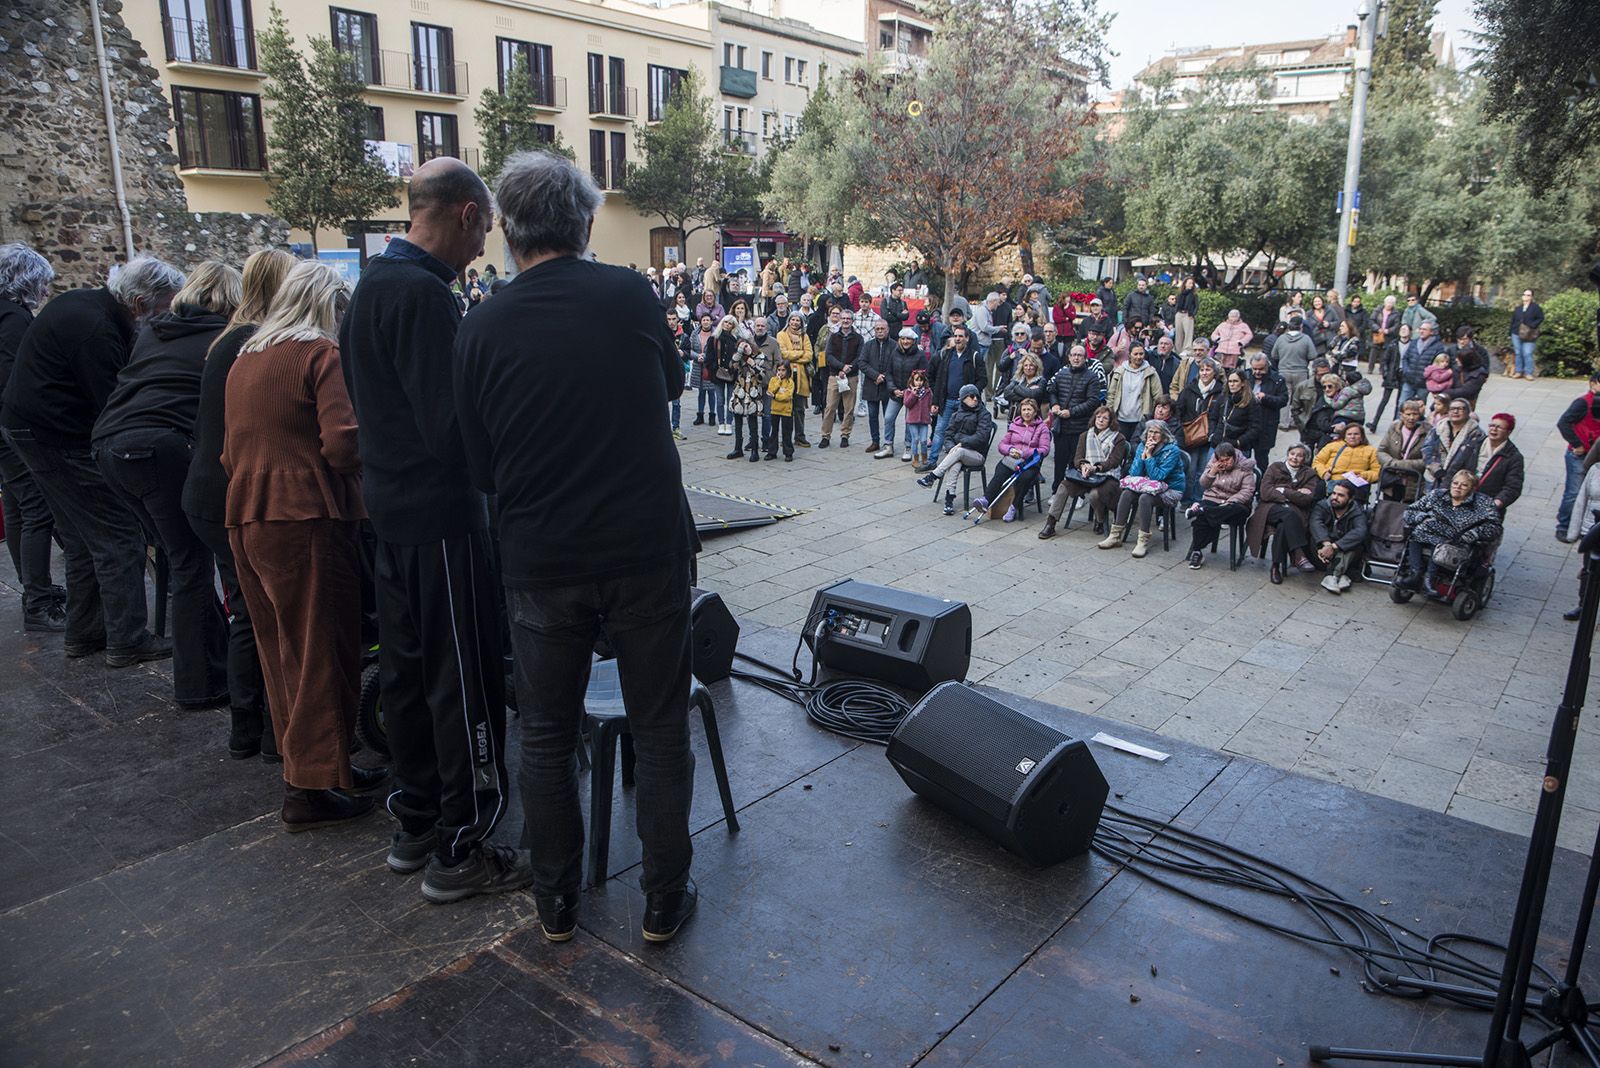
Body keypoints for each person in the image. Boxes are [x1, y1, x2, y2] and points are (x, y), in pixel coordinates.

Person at [454, 152, 699, 945]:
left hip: (541, 558)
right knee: (660, 727)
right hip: (643, 549)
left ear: (505, 231)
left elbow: (478, 464)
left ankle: (555, 904)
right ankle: (663, 901)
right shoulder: (629, 293)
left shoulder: (481, 323)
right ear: (586, 223)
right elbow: (670, 385)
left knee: (548, 737)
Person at [341, 159, 525, 897]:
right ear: (462, 213)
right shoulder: (423, 297)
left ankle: (417, 821)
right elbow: (451, 431)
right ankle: (462, 843)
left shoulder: (370, 288)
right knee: (463, 678)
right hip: (440, 519)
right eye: (483, 227)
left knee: (409, 674)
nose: (483, 247)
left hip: (392, 512)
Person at [222, 261, 378, 832]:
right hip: (306, 515)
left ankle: (319, 769)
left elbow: (228, 450)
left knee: (280, 652)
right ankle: (309, 790)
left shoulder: (245, 357)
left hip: (246, 516)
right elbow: (342, 445)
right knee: (320, 652)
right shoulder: (319, 354)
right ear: (330, 305)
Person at [1, 255, 183, 666]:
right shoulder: (96, 329)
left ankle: (84, 634)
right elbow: (112, 407)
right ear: (139, 302)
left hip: (33, 429)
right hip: (53, 436)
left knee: (82, 537)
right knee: (119, 534)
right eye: (162, 307)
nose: (163, 316)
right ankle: (128, 639)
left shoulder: (85, 304)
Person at [93, 261, 240, 709]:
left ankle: (212, 662)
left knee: (178, 559)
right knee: (191, 564)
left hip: (109, 444)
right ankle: (201, 684)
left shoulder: (157, 331)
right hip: (158, 447)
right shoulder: (225, 340)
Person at [182, 248, 294, 759]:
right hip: (228, 493)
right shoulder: (256, 343)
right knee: (260, 614)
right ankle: (267, 733)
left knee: (248, 611)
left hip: (207, 490)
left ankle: (249, 730)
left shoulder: (229, 338)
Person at [0, 242, 64, 632]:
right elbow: (16, 381)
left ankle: (34, 589)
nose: (44, 292)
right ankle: (37, 602)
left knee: (19, 507)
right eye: (41, 283)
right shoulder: (13, 320)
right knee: (36, 507)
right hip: (14, 427)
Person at [1398, 470, 1501, 592]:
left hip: (1455, 540)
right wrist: (1421, 517)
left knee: (1441, 544)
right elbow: (1410, 510)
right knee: (1414, 535)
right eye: (1455, 483)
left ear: (1472, 488)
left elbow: (1495, 527)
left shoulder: (1483, 503)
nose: (1458, 487)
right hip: (1426, 531)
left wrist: (1474, 533)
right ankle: (1416, 573)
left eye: (1464, 485)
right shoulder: (1437, 495)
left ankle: (1429, 578)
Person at [1101, 421, 1186, 558]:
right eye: (1150, 432)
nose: (1152, 435)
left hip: (1169, 488)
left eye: (1156, 432)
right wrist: (1144, 454)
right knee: (1127, 494)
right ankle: (1115, 535)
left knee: (1145, 498)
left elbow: (1158, 476)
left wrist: (1150, 456)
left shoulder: (1172, 450)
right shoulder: (1142, 445)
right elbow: (1134, 473)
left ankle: (1142, 541)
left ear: (1164, 435)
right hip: (1147, 485)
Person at [1039, 405, 1125, 539]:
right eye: (1098, 417)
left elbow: (1114, 461)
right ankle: (1050, 523)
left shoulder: (1118, 438)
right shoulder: (1086, 435)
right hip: (1085, 475)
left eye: (1105, 418)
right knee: (1063, 486)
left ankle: (1100, 520)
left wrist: (1096, 468)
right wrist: (1083, 465)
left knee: (1094, 494)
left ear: (1110, 421)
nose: (1100, 420)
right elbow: (1077, 458)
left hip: (1107, 476)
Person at [1247, 443, 1323, 584]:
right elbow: (1265, 492)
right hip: (1270, 509)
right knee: (1289, 515)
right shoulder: (1275, 467)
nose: (1295, 458)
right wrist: (1293, 494)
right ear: (1288, 454)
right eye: (1293, 454)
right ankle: (1298, 554)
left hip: (1294, 511)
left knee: (1284, 525)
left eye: (1299, 455)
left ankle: (1275, 567)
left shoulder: (1309, 474)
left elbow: (1307, 499)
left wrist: (1283, 490)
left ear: (1305, 458)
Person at [916, 384, 994, 516]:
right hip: (958, 452)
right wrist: (952, 446)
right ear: (963, 398)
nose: (975, 399)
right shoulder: (956, 414)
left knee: (958, 452)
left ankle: (933, 476)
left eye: (977, 396)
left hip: (977, 454)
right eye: (971, 396)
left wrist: (961, 443)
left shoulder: (984, 414)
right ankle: (949, 500)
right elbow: (948, 435)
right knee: (955, 461)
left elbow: (981, 437)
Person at [971, 397, 1050, 522]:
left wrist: (1024, 453)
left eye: (1029, 410)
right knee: (1000, 470)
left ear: (1035, 412)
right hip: (1012, 459)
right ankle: (986, 500)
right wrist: (1010, 450)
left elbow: (1044, 449)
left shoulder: (1042, 428)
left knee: (1024, 478)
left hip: (1030, 463)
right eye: (1024, 410)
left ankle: (1013, 507)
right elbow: (1002, 444)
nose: (1026, 412)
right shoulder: (1015, 424)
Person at [1183, 442, 1256, 570]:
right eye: (1221, 460)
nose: (1225, 463)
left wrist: (1230, 501)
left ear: (1234, 457)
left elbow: (1247, 492)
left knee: (1231, 510)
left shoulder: (1245, 467)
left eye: (1227, 460)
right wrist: (1212, 472)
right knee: (1201, 520)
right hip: (1214, 499)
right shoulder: (1214, 464)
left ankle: (1202, 510)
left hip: (1235, 504)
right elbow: (1203, 485)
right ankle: (1197, 551)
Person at [1045, 343, 1106, 492]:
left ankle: (1077, 493)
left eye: (1080, 355)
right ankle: (1056, 491)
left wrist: (1071, 412)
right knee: (1059, 462)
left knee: (1077, 462)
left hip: (1080, 427)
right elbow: (1052, 390)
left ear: (1085, 358)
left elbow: (1093, 401)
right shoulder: (1062, 373)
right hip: (1061, 427)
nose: (1076, 358)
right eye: (1074, 355)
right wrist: (1054, 405)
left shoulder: (1092, 377)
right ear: (1069, 357)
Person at [924, 324, 984, 471]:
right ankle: (932, 461)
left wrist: (972, 395)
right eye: (955, 336)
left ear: (967, 339)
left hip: (966, 404)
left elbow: (983, 379)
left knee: (967, 432)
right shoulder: (945, 355)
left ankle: (964, 460)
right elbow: (937, 379)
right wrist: (936, 400)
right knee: (939, 430)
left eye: (961, 336)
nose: (957, 339)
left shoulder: (975, 356)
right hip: (947, 401)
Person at [1557, 373, 1600, 541]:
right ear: (1593, 384)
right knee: (1574, 493)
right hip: (1579, 456)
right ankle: (1564, 526)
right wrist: (1577, 444)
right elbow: (1563, 423)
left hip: (1596, 455)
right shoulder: (1583, 403)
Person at [1310, 480, 1371, 594]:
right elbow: (1316, 523)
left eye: (1341, 495)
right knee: (1314, 537)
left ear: (1351, 499)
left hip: (1341, 549)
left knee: (1354, 544)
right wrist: (1326, 544)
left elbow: (1360, 531)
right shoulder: (1323, 505)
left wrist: (1334, 546)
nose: (1335, 497)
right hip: (1322, 553)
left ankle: (1332, 576)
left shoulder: (1357, 511)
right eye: (1334, 493)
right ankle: (1342, 575)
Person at [1176, 358, 1222, 505]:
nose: (1204, 373)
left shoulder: (1220, 391)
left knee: (1204, 471)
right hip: (1191, 437)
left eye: (1208, 369)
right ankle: (1186, 500)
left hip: (1209, 438)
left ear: (1214, 372)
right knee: (1190, 470)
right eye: (1202, 370)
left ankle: (1198, 500)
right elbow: (1178, 411)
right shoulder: (1189, 389)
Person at [1423, 397, 1485, 492]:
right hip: (1434, 478)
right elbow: (1427, 449)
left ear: (1468, 412)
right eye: (1452, 409)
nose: (1456, 412)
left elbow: (1477, 460)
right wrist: (1436, 470)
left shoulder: (1477, 434)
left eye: (1460, 409)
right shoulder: (1438, 429)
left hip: (1459, 484)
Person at [818, 316, 861, 448]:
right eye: (843, 318)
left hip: (851, 376)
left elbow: (860, 357)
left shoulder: (858, 338)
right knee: (830, 407)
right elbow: (828, 355)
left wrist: (848, 369)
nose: (846, 320)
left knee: (849, 408)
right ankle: (825, 435)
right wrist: (841, 367)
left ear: (852, 321)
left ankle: (845, 435)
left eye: (848, 318)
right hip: (834, 375)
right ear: (840, 320)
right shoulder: (834, 336)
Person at [1377, 400, 1429, 503]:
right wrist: (1392, 463)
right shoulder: (1394, 427)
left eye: (1415, 414)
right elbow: (1381, 451)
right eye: (1408, 414)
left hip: (1412, 483)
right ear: (1401, 415)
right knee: (1388, 510)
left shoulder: (1427, 432)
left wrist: (1403, 465)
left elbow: (1426, 460)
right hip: (1391, 480)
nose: (1411, 418)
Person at [777, 311, 815, 448]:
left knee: (799, 409)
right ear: (788, 321)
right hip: (786, 376)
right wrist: (800, 354)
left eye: (797, 320)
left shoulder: (804, 336)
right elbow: (783, 353)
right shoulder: (781, 335)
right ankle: (786, 437)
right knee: (786, 408)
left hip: (801, 378)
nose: (795, 323)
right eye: (792, 320)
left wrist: (793, 356)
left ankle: (800, 436)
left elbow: (809, 355)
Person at [857, 319, 896, 455]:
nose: (879, 331)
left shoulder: (894, 345)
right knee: (872, 416)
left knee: (888, 417)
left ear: (887, 330)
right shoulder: (868, 345)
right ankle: (875, 441)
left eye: (882, 329)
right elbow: (861, 362)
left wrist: (883, 377)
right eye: (877, 329)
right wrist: (875, 376)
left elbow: (896, 364)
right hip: (871, 385)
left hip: (888, 387)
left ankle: (888, 442)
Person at [1107, 343, 1160, 439]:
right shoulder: (1120, 372)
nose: (1138, 357)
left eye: (1141, 354)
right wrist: (1110, 414)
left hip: (1141, 420)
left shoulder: (1151, 372)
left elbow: (1158, 396)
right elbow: (1111, 394)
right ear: (1130, 355)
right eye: (1135, 354)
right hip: (1121, 419)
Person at [1272, 317, 1317, 431]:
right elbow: (1313, 355)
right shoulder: (1306, 339)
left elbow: (1274, 355)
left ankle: (1283, 422)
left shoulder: (1281, 338)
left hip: (1283, 371)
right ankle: (1295, 421)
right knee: (1299, 398)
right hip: (1300, 371)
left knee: (1285, 397)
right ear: (1301, 326)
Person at [1245, 354, 1287, 471]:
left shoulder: (1277, 380)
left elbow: (1283, 400)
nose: (1257, 372)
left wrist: (1266, 398)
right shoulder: (1246, 376)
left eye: (1261, 369)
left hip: (1266, 425)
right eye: (1255, 369)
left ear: (1267, 366)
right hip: (1246, 425)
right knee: (1243, 459)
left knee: (1261, 460)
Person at [1476, 412, 1524, 513]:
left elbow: (1513, 487)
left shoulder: (1514, 457)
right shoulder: (1474, 443)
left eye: (1499, 427)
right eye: (1492, 425)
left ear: (1509, 432)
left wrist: (1495, 504)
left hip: (1488, 507)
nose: (1494, 429)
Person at [726, 338, 764, 462]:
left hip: (752, 392)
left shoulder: (759, 356)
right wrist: (739, 353)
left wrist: (753, 363)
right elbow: (731, 368)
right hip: (740, 391)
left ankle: (754, 450)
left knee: (753, 423)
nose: (745, 348)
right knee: (737, 422)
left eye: (746, 345)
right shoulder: (738, 357)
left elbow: (762, 376)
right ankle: (738, 448)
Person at [1313, 422, 1380, 490]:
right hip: (1333, 480)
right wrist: (1324, 473)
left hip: (1356, 483)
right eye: (1349, 434)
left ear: (1361, 436)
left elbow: (1377, 471)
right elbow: (1317, 462)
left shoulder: (1371, 450)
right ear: (1344, 436)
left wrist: (1364, 476)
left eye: (1356, 434)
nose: (1352, 437)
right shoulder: (1332, 446)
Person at [1398, 319, 1444, 411]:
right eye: (1420, 329)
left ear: (1431, 332)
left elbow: (1439, 366)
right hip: (1409, 380)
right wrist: (1406, 371)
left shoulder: (1438, 346)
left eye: (1424, 329)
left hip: (1423, 383)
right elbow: (1405, 358)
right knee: (1402, 405)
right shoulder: (1414, 343)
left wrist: (1428, 376)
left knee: (1419, 408)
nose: (1421, 331)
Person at [1212, 370, 1257, 457]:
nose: (1232, 384)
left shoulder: (1251, 402)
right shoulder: (1222, 398)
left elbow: (1255, 428)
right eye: (1230, 381)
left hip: (1239, 448)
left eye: (1235, 381)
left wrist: (1238, 442)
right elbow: (1213, 417)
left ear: (1243, 383)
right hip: (1217, 444)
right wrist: (1212, 434)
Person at [1443, 326, 1490, 408]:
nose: (1461, 341)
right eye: (1459, 339)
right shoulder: (1451, 349)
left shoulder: (1480, 350)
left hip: (1470, 381)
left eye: (1464, 339)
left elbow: (1485, 365)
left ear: (1470, 338)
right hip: (1454, 382)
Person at [900, 366, 933, 469]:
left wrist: (931, 413)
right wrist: (913, 394)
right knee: (916, 439)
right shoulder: (908, 392)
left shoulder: (928, 392)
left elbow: (930, 404)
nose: (919, 383)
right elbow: (907, 404)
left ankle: (924, 457)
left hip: (924, 419)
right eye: (916, 380)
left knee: (923, 440)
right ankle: (915, 458)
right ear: (912, 381)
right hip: (912, 420)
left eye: (920, 380)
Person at [765, 359, 796, 462]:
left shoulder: (790, 382)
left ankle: (788, 452)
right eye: (779, 370)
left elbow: (787, 396)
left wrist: (775, 396)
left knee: (786, 432)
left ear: (787, 371)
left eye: (783, 370)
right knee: (774, 432)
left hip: (786, 411)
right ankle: (772, 452)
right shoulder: (774, 380)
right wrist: (778, 382)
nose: (781, 372)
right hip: (775, 410)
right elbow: (770, 390)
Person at [1508, 289, 1544, 380]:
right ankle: (1518, 371)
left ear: (1531, 297)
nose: (1526, 296)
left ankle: (1528, 373)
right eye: (1524, 294)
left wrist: (1532, 325)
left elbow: (1541, 318)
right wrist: (1510, 333)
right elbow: (1513, 321)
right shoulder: (1518, 308)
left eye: (1528, 295)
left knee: (1527, 353)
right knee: (1518, 352)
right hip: (1516, 333)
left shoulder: (1535, 308)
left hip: (1529, 334)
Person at [1174, 277, 1198, 352]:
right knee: (1178, 333)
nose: (1191, 285)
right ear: (1185, 284)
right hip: (1179, 313)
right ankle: (1178, 349)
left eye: (1192, 283)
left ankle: (1187, 349)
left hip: (1188, 314)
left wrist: (1192, 314)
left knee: (1188, 333)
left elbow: (1196, 306)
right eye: (1189, 283)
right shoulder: (1180, 294)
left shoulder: (1194, 295)